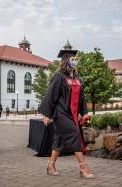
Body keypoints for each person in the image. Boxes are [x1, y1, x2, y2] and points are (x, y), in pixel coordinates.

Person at [38, 46, 95, 179]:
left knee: (59, 140)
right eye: (72, 59)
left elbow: (81, 97)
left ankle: (50, 166)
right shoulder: (59, 77)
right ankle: (83, 168)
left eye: (75, 59)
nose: (74, 62)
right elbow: (51, 95)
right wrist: (47, 114)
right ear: (65, 61)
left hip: (73, 115)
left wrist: (84, 112)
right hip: (61, 114)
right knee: (75, 135)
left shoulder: (77, 79)